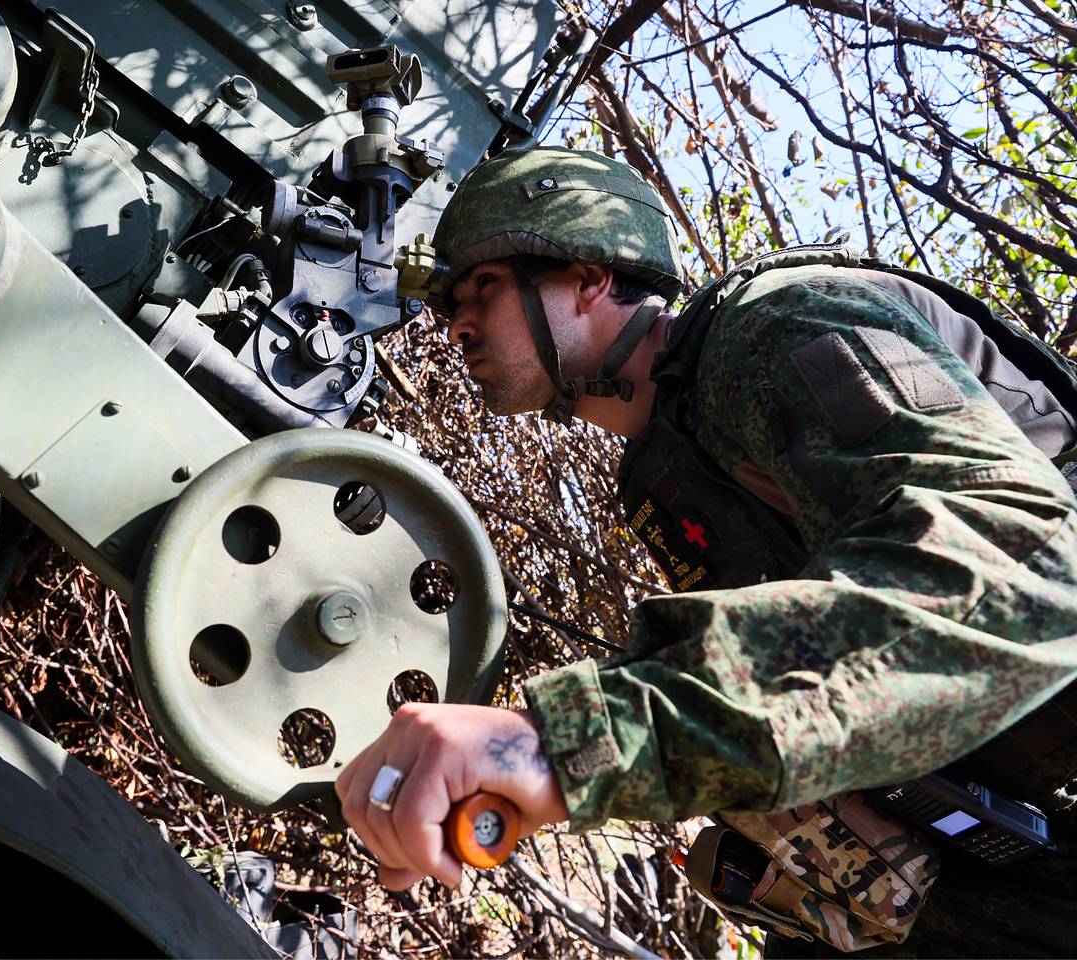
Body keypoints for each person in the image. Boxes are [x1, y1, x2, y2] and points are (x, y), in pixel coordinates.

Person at [335, 147, 1077, 955]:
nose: (458, 322)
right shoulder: (665, 469)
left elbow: (1024, 561)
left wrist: (563, 743)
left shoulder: (779, 326)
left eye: (484, 285)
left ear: (588, 278)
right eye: (450, 302)